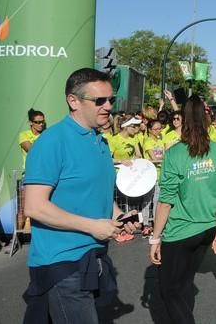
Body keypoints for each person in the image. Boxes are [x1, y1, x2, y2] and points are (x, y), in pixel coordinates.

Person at [23, 68, 139, 323]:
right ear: (73, 101)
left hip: (94, 257)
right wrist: (92, 227)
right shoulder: (52, 142)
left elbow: (95, 193)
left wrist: (120, 216)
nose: (108, 106)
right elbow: (33, 207)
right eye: (99, 100)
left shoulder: (100, 140)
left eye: (111, 100)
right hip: (62, 263)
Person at [148, 95, 216, 324]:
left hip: (181, 232)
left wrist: (155, 239)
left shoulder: (175, 154)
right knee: (183, 284)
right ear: (207, 120)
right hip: (207, 230)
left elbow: (166, 201)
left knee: (169, 290)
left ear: (183, 120)